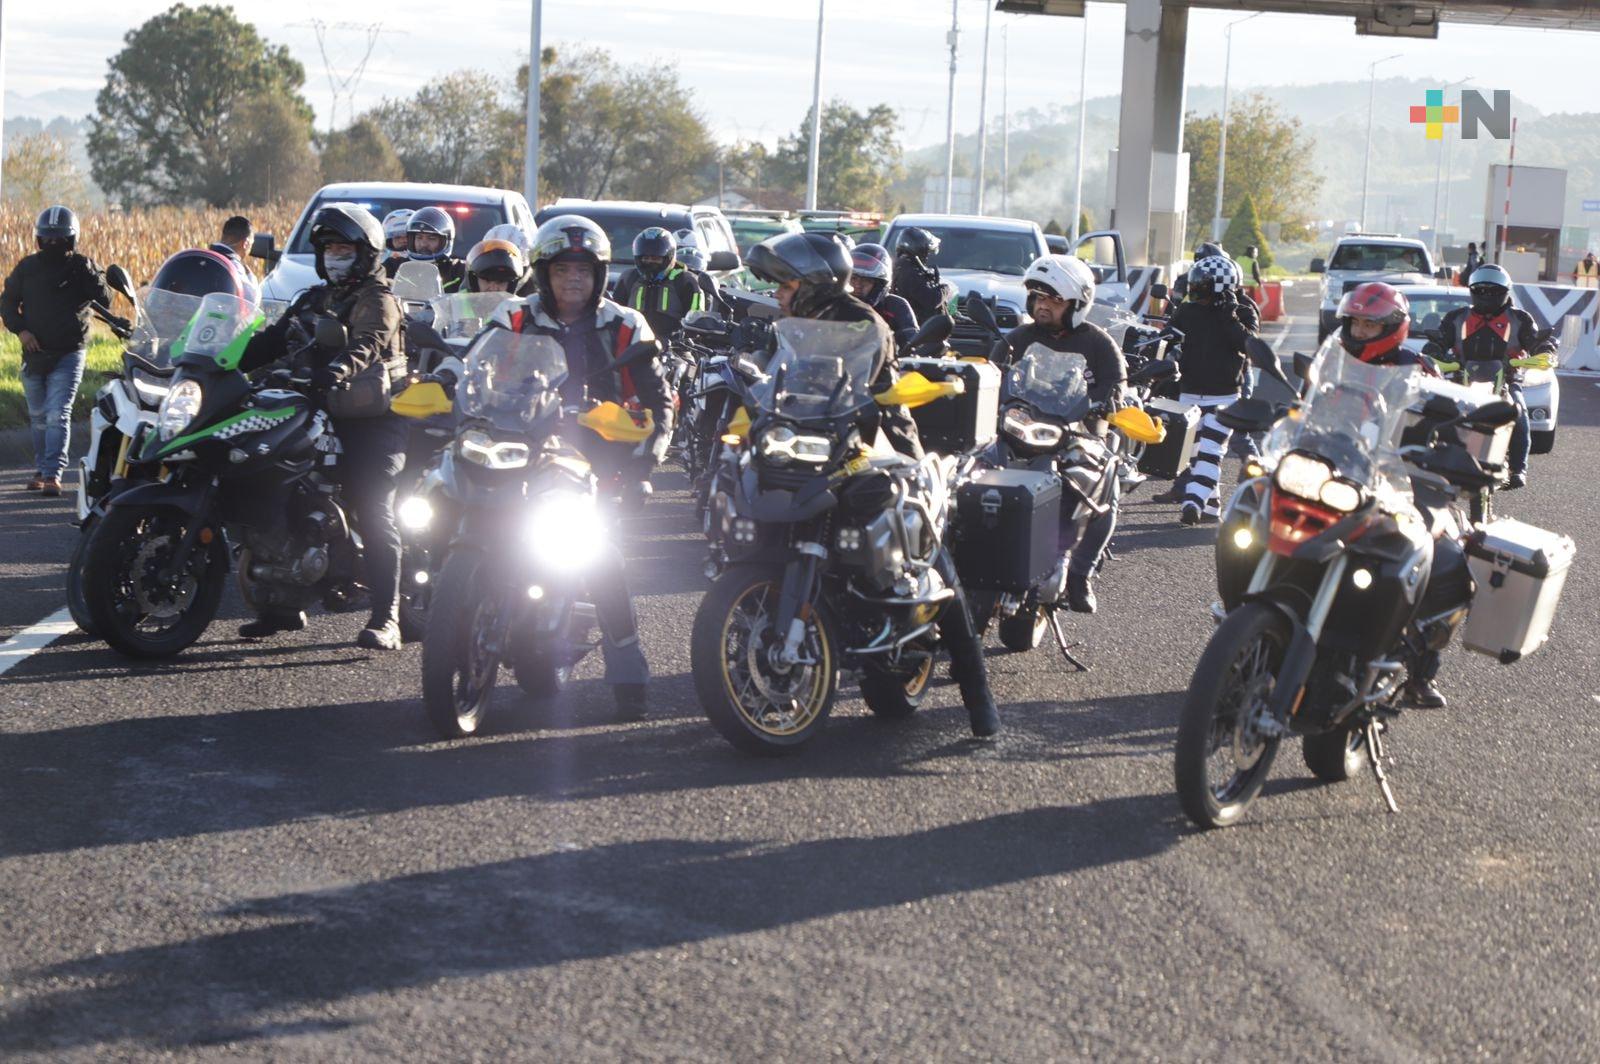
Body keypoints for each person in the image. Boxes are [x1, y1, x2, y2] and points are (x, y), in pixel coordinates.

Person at [745, 229, 1000, 739]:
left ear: (814, 284)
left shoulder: (866, 323)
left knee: (935, 565)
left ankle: (981, 704)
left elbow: (877, 388)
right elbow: (773, 377)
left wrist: (895, 436)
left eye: (785, 285)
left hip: (871, 446)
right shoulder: (788, 324)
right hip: (808, 447)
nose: (777, 294)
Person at [487, 214, 672, 717]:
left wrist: (644, 469)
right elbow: (475, 367)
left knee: (599, 555)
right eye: (564, 269)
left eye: (584, 271)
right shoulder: (513, 315)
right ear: (542, 272)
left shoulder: (627, 325)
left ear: (600, 276)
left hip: (600, 459)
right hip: (519, 444)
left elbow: (660, 403)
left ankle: (627, 669)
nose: (574, 279)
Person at [237, 203, 410, 650]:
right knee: (273, 480)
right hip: (315, 410)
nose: (335, 256)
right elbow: (270, 341)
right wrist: (214, 359)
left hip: (372, 420)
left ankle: (387, 615)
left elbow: (369, 343)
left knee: (373, 506)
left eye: (344, 248)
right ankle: (282, 604)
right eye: (329, 248)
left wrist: (333, 370)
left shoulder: (379, 299)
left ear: (366, 253)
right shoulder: (313, 298)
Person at [1332, 281, 1454, 708]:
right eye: (1356, 323)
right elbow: (1303, 402)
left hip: (1398, 477)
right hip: (1335, 468)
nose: (1361, 332)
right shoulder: (1336, 357)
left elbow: (1441, 428)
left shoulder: (1416, 367)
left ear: (1392, 326)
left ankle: (1419, 673)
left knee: (1444, 557)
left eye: (1370, 324)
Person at [995, 254, 1126, 614]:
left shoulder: (1098, 344)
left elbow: (1116, 387)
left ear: (1077, 303)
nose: (1043, 306)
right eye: (1038, 298)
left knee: (1107, 489)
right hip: (1020, 428)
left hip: (1078, 434)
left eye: (1054, 300)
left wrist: (1108, 403)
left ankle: (1080, 575)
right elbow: (995, 374)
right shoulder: (1018, 337)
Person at [1, 206, 111, 496]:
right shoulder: (27, 268)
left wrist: (94, 273)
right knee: (37, 415)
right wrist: (21, 331)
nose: (53, 245)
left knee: (57, 414)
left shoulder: (81, 266)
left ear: (71, 240)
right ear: (38, 240)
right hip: (34, 353)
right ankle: (41, 468)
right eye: (47, 239)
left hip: (69, 352)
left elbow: (105, 299)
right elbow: (8, 303)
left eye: (59, 240)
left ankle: (53, 474)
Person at [1162, 256, 1266, 526]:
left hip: (1225, 397)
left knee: (1210, 450)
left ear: (1221, 288)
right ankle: (1211, 508)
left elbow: (1247, 344)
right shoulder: (1187, 310)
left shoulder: (1243, 311)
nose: (1196, 293)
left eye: (1203, 288)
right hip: (1189, 394)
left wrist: (1228, 314)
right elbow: (1170, 339)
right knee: (1196, 456)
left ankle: (1192, 503)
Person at [1437, 263, 1553, 490]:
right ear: (1472, 290)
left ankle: (1519, 469)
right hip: (1461, 378)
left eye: (1492, 291)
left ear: (1505, 292)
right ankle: (1436, 460)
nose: (1486, 295)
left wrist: (1545, 351)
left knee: (1519, 414)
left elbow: (1537, 341)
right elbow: (1439, 340)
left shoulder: (1520, 318)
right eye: (1481, 290)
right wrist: (1434, 351)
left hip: (1507, 379)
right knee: (1439, 411)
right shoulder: (1456, 318)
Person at [612, 227, 704, 340]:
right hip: (632, 347)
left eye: (655, 258)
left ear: (668, 257)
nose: (649, 262)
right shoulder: (628, 278)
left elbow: (696, 326)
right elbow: (614, 317)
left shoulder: (687, 282)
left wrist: (678, 341)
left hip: (676, 350)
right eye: (645, 258)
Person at [849, 242, 918, 348]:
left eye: (866, 280)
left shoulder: (895, 306)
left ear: (879, 284)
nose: (858, 285)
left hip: (884, 362)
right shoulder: (834, 306)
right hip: (839, 363)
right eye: (853, 278)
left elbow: (912, 343)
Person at [403, 206, 467, 292]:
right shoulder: (396, 267)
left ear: (445, 241)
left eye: (431, 238)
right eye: (419, 237)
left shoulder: (458, 271)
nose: (423, 244)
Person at [890, 227, 947, 323]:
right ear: (919, 249)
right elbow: (932, 300)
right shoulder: (909, 272)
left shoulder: (902, 266)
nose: (928, 255)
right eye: (927, 252)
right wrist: (945, 289)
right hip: (917, 330)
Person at [671, 228, 729, 316]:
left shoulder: (709, 284)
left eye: (693, 250)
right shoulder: (659, 282)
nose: (687, 255)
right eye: (678, 249)